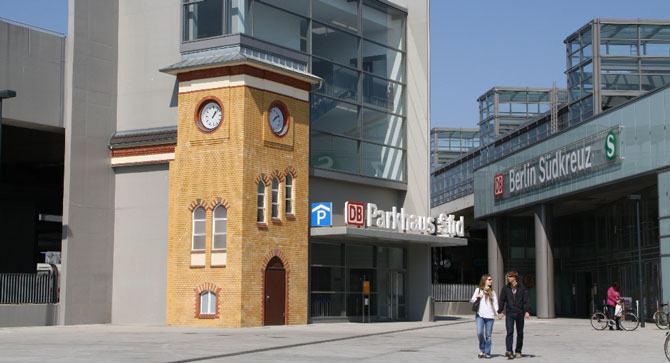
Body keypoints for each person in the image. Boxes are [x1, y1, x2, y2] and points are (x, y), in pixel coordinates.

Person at [497, 270, 530, 359]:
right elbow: (502, 300)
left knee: (520, 333)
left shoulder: (522, 288)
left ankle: (518, 351)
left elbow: (525, 301)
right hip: (510, 313)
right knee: (509, 332)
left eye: (510, 276)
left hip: (519, 313)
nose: (508, 278)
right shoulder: (505, 288)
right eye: (508, 276)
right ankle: (509, 351)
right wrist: (500, 311)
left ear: (515, 278)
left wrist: (527, 311)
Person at [470, 274, 499, 359]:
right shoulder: (478, 290)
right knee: (479, 333)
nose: (491, 281)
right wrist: (477, 297)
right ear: (484, 280)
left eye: (491, 279)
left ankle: (487, 352)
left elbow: (495, 305)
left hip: (490, 316)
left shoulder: (492, 292)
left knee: (488, 336)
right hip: (480, 315)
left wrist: (498, 313)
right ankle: (482, 349)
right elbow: (472, 300)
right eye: (489, 279)